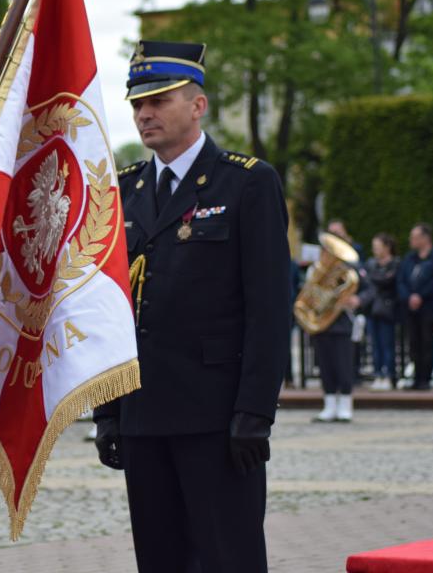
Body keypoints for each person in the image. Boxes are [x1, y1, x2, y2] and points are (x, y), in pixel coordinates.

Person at [93, 41, 290, 573]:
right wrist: (108, 411)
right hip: (142, 412)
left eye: (159, 100)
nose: (144, 114)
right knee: (160, 560)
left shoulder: (247, 182)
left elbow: (270, 307)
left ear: (198, 105)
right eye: (137, 104)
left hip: (217, 417)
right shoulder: (125, 190)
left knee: (229, 558)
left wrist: (255, 411)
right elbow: (109, 309)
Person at [310, 248, 373, 423]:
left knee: (344, 365)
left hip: (343, 323)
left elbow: (368, 290)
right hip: (321, 324)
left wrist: (358, 300)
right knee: (325, 366)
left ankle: (345, 405)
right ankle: (329, 405)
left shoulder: (350, 270)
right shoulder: (316, 270)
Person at [397, 223, 433, 390]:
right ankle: (417, 378)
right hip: (411, 308)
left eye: (415, 237)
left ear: (425, 238)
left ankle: (426, 379)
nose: (411, 240)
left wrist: (420, 296)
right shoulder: (409, 258)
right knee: (414, 343)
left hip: (428, 307)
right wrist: (409, 296)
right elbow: (401, 280)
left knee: (427, 342)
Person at [364, 233, 400, 390]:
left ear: (387, 247)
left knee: (387, 344)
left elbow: (387, 280)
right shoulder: (372, 263)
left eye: (377, 247)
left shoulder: (395, 263)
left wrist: (372, 277)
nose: (375, 251)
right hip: (372, 308)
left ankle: (389, 374)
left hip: (387, 309)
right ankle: (378, 373)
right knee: (375, 344)